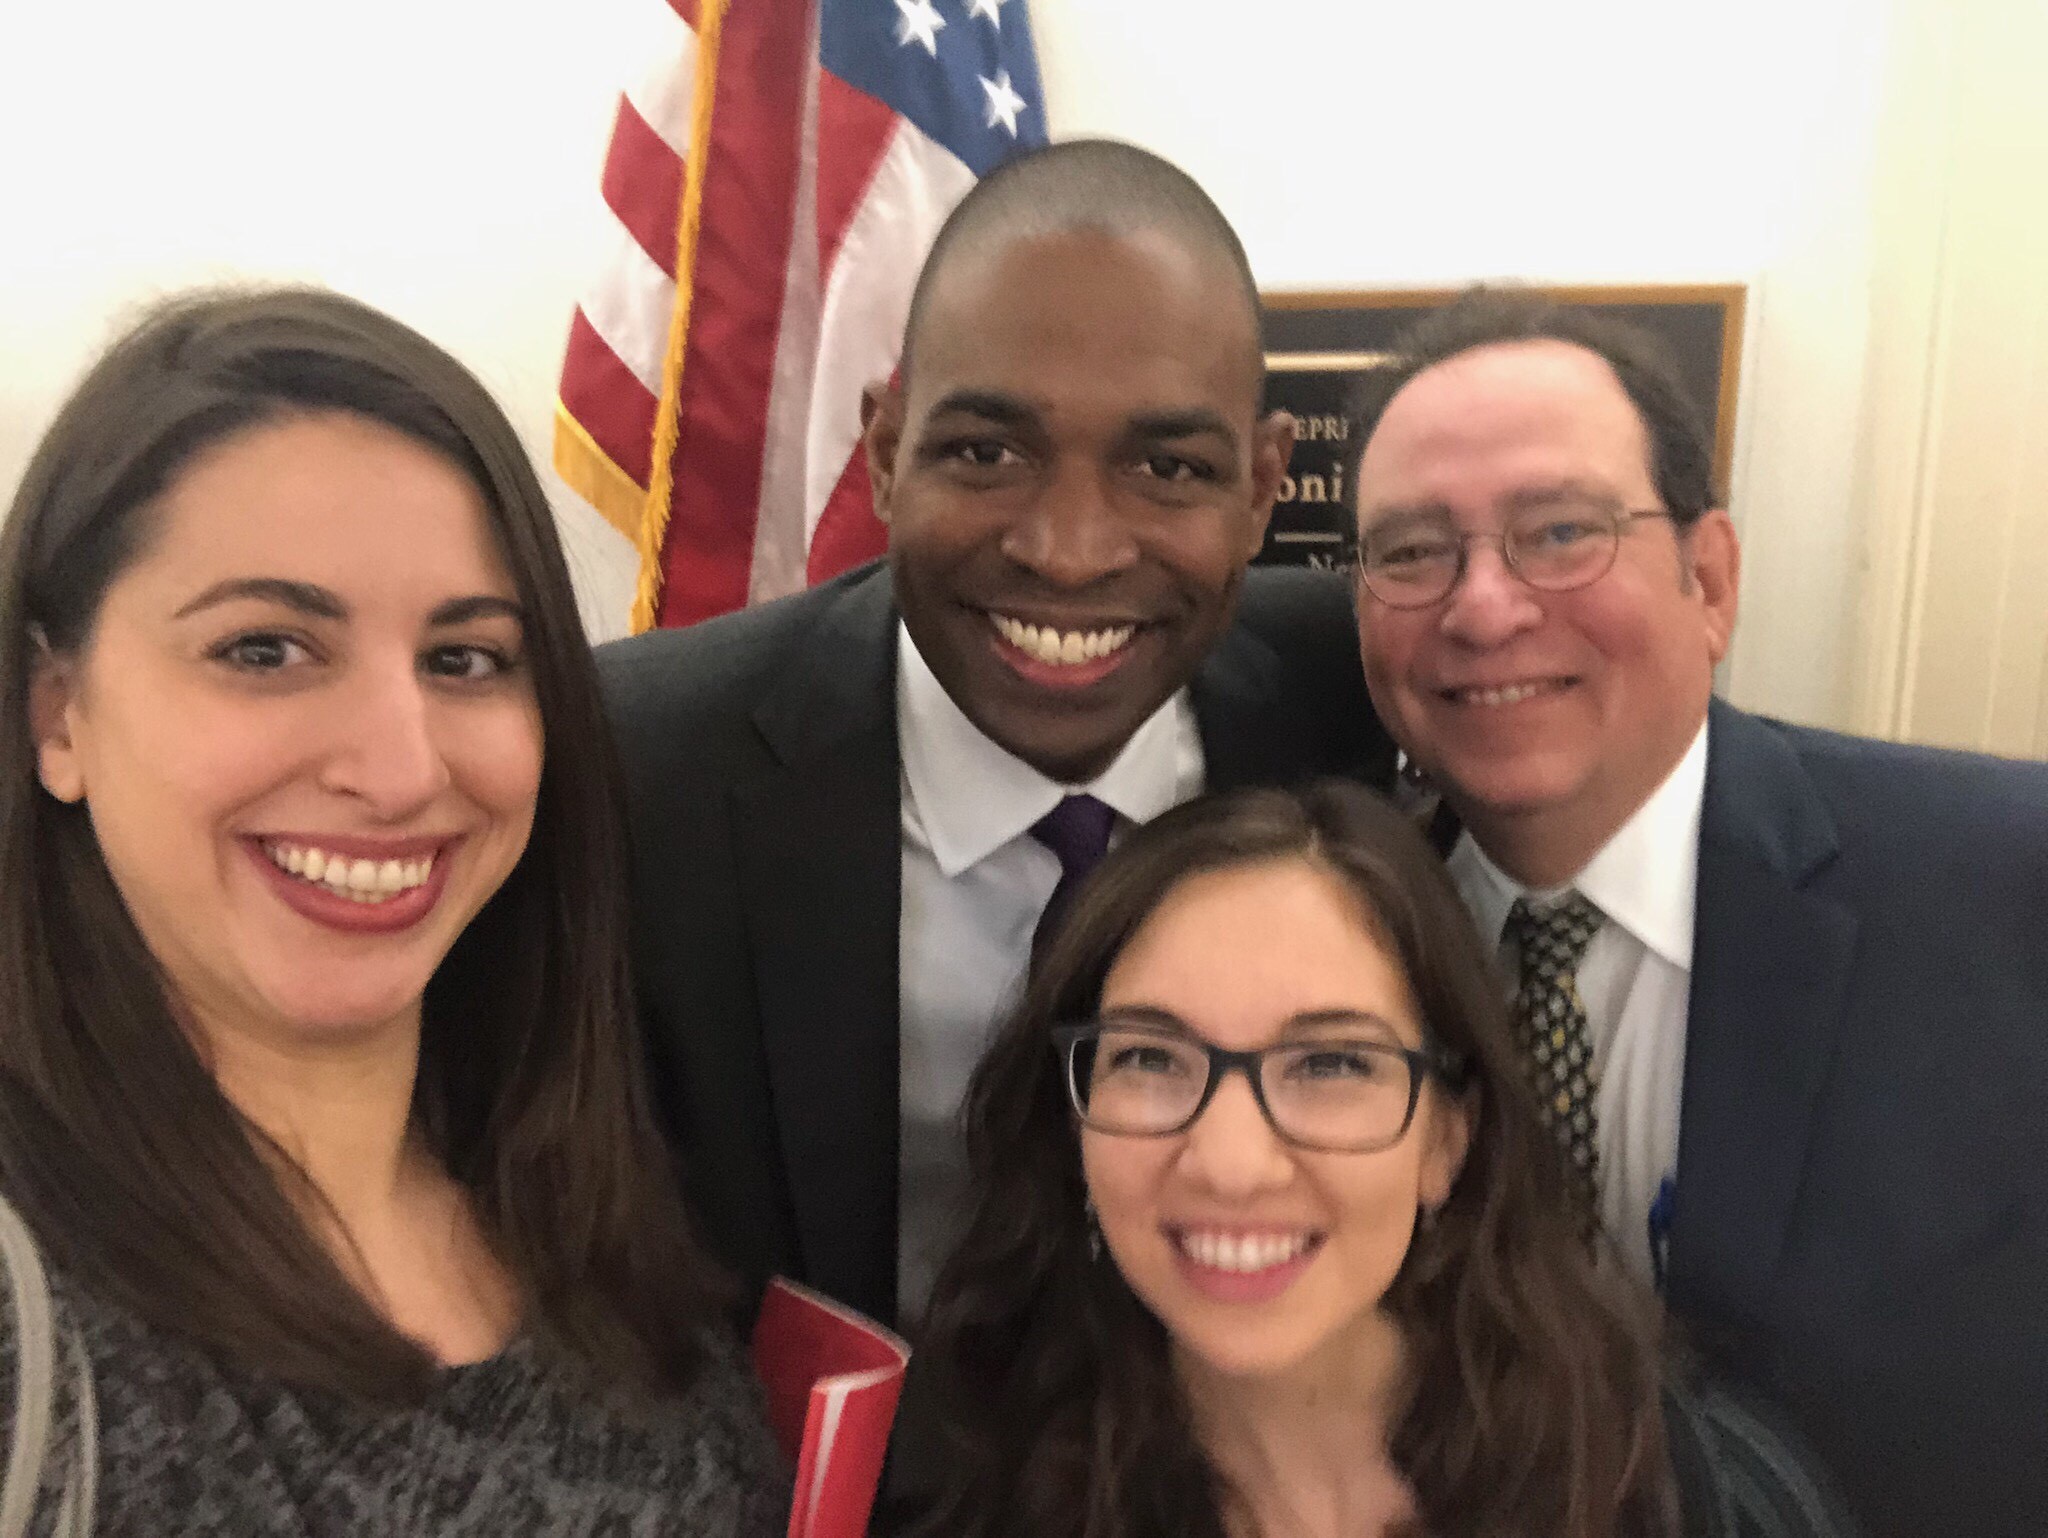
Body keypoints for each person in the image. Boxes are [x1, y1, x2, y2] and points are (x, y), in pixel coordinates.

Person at [0, 289, 786, 1534]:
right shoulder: (26, 1308)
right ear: (57, 712)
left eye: (464, 657)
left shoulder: (583, 1192)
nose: (402, 767)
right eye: (266, 649)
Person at [597, 138, 1395, 1327]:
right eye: (984, 452)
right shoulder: (640, 766)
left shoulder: (1365, 702)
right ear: (882, 449)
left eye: (1167, 467)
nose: (1067, 550)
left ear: (1263, 489)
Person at [1345, 288, 2048, 1538]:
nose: (1482, 605)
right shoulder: (1330, 937)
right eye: (1410, 550)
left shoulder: (2007, 889)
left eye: (1558, 531)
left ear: (1709, 578)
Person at [905, 780, 1854, 1538]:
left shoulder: (1691, 1492)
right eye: (1150, 1058)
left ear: (1448, 1138)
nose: (1232, 1164)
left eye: (1329, 1063)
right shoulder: (976, 1488)